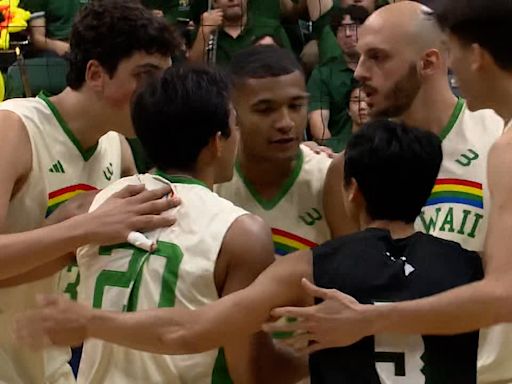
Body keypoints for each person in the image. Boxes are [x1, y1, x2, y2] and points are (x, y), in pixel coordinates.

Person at [16, 120, 484, 384]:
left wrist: (92, 321)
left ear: (351, 192)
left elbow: (189, 330)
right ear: (429, 191)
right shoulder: (471, 271)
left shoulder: (310, 268)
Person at [262, 0, 512, 380]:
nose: (360, 72)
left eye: (377, 57)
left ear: (428, 63)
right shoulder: (346, 168)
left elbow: (503, 294)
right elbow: (353, 292)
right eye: (360, 57)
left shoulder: (499, 139)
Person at [46, 64, 306, 384]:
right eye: (235, 125)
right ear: (216, 143)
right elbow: (250, 372)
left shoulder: (92, 207)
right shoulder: (242, 234)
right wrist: (323, 352)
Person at [0, 1, 179, 382]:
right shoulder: (13, 129)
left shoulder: (116, 147)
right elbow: (89, 229)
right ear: (96, 73)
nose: (157, 95)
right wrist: (84, 229)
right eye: (145, 76)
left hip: (52, 364)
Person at [214, 45, 336, 255]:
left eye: (296, 106)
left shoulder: (330, 180)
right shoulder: (211, 184)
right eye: (265, 110)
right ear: (232, 115)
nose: (285, 123)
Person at [307, 5, 370, 151]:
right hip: (337, 150)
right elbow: (319, 127)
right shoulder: (323, 74)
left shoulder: (382, 68)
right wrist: (336, 152)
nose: (348, 34)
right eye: (341, 29)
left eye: (353, 27)